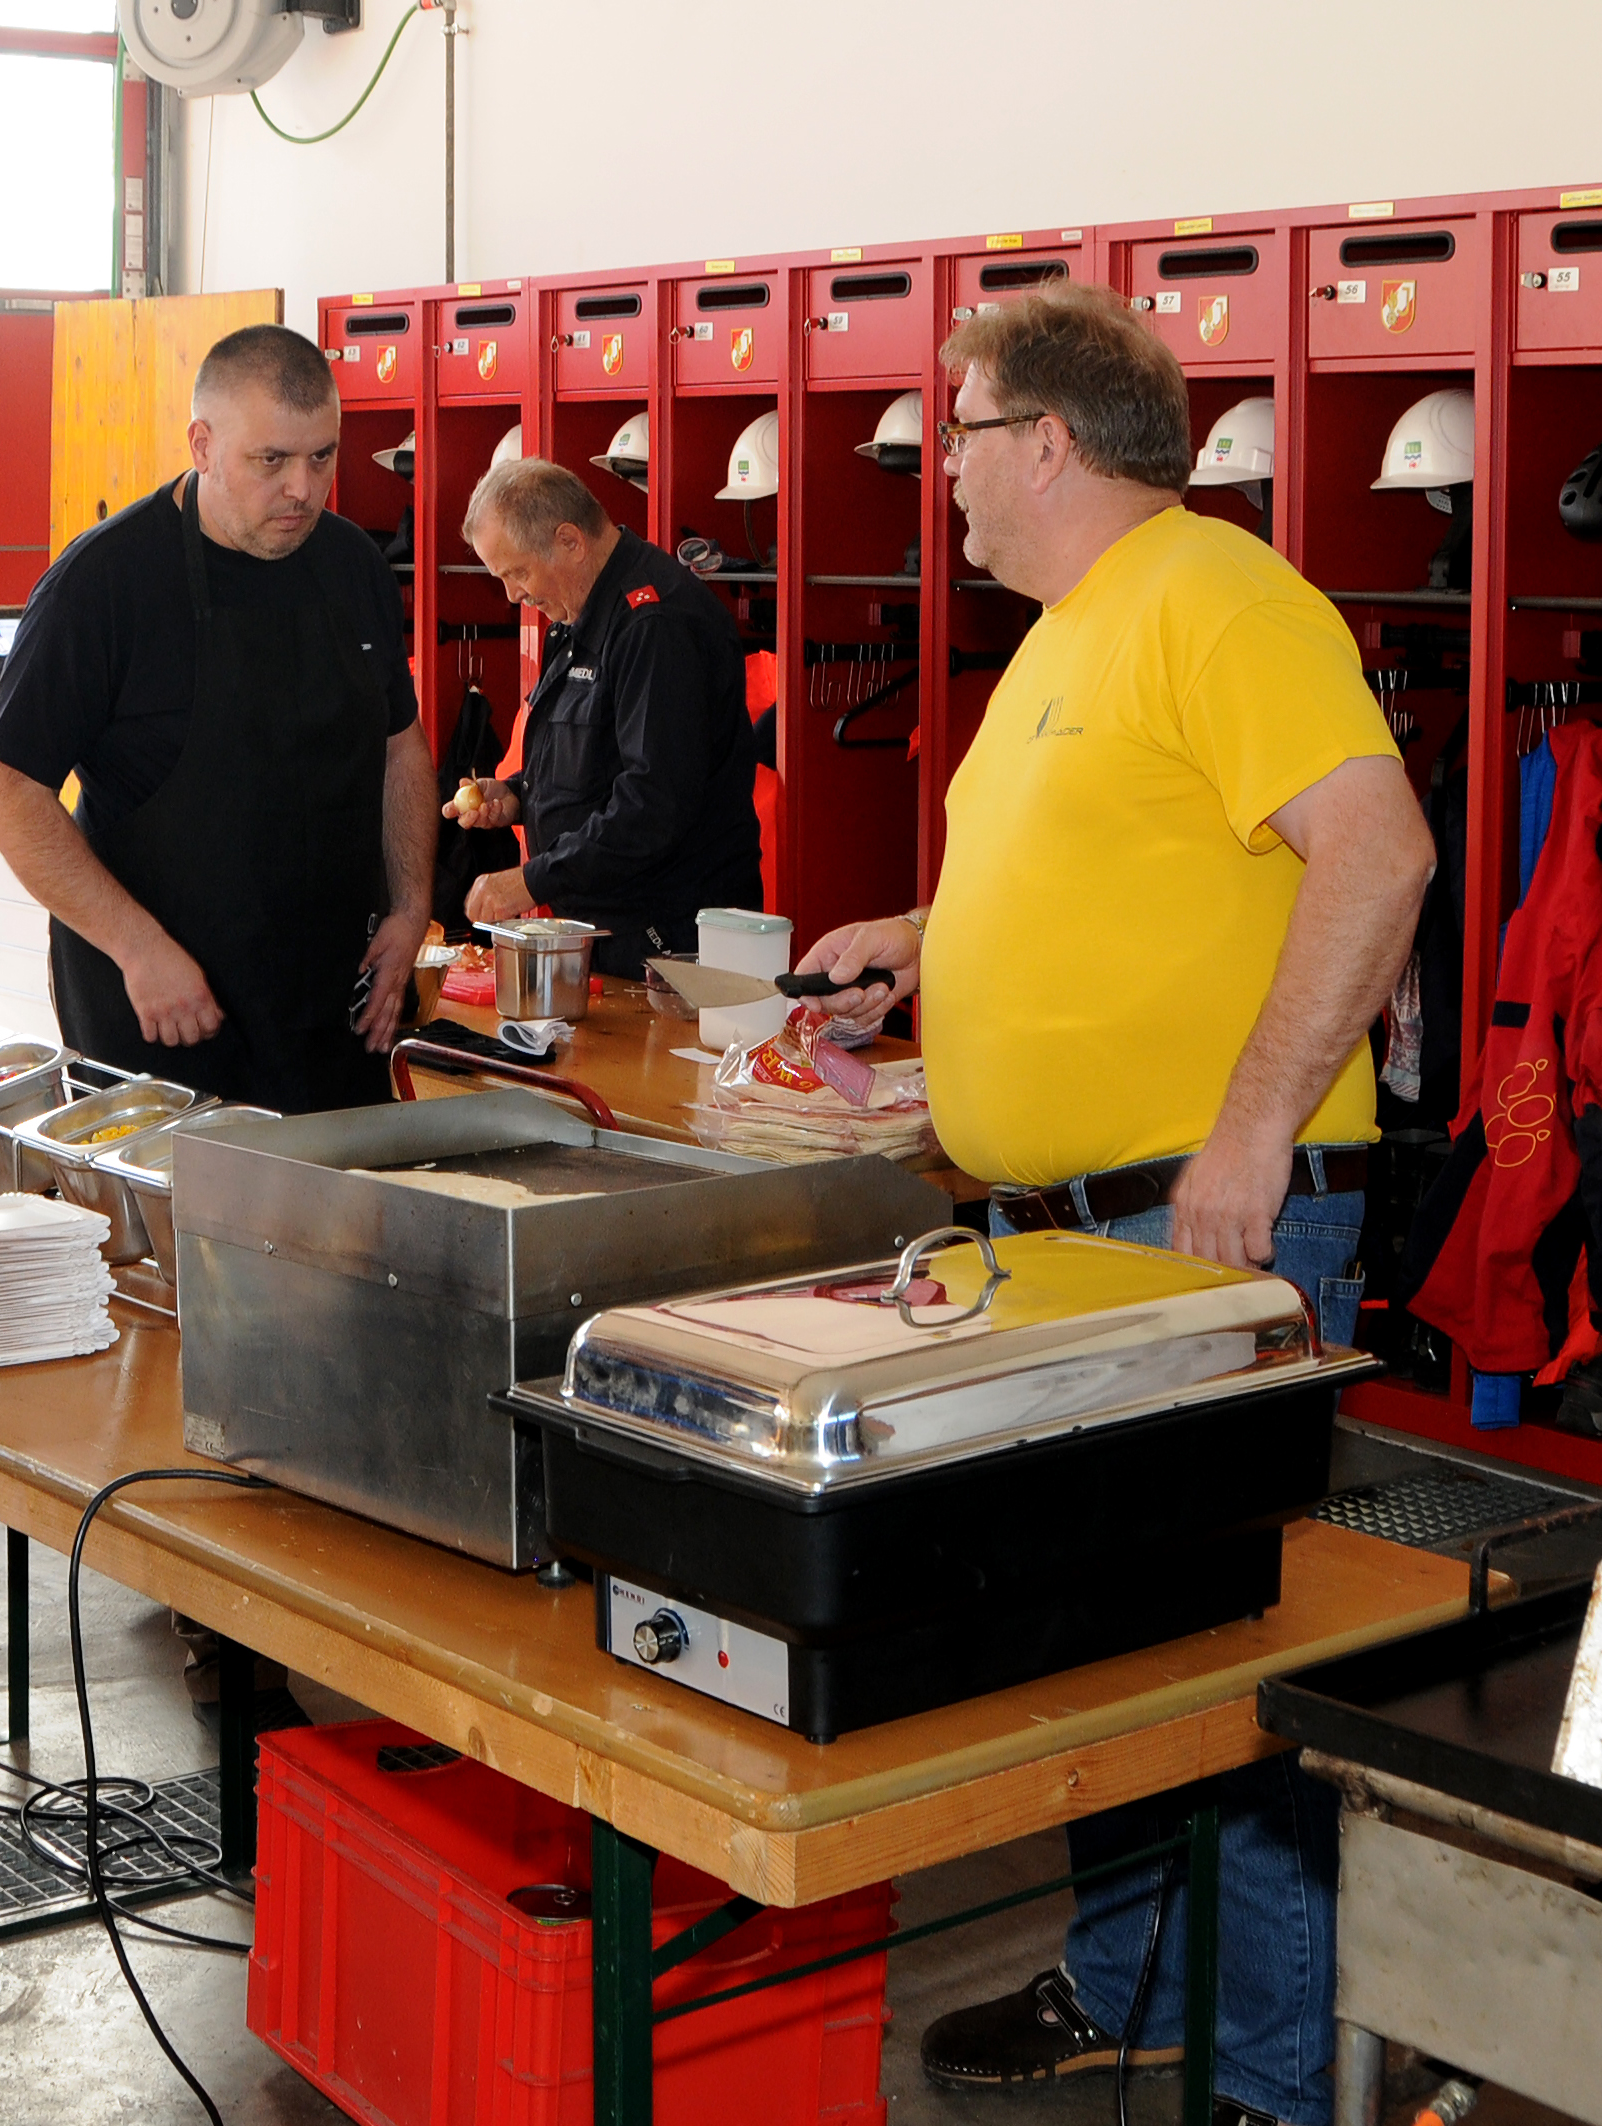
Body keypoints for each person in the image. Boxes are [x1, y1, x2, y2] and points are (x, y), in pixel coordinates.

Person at [798, 283, 1436, 2126]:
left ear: (1050, 443)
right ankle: (1130, 1982)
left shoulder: (1219, 597)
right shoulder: (1076, 630)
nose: (943, 473)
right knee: (1105, 1651)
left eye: (960, 436)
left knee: (1220, 1658)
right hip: (1068, 1231)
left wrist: (1249, 1132)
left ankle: (1274, 2079)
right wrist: (927, 940)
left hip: (1198, 1226)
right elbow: (1120, 866)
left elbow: (1379, 849)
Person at [0, 322, 432, 1112]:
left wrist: (412, 905)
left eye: (322, 457)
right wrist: (136, 945)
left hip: (333, 1016)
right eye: (271, 461)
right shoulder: (104, 584)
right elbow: (7, 792)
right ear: (202, 445)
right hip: (165, 1020)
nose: (303, 489)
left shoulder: (354, 565)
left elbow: (401, 748)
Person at [446, 456, 762, 974]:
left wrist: (531, 881)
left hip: (670, 943)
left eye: (518, 572)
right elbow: (596, 760)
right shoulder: (580, 612)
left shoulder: (654, 625)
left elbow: (652, 805)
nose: (513, 595)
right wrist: (519, 796)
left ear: (570, 541)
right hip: (615, 931)